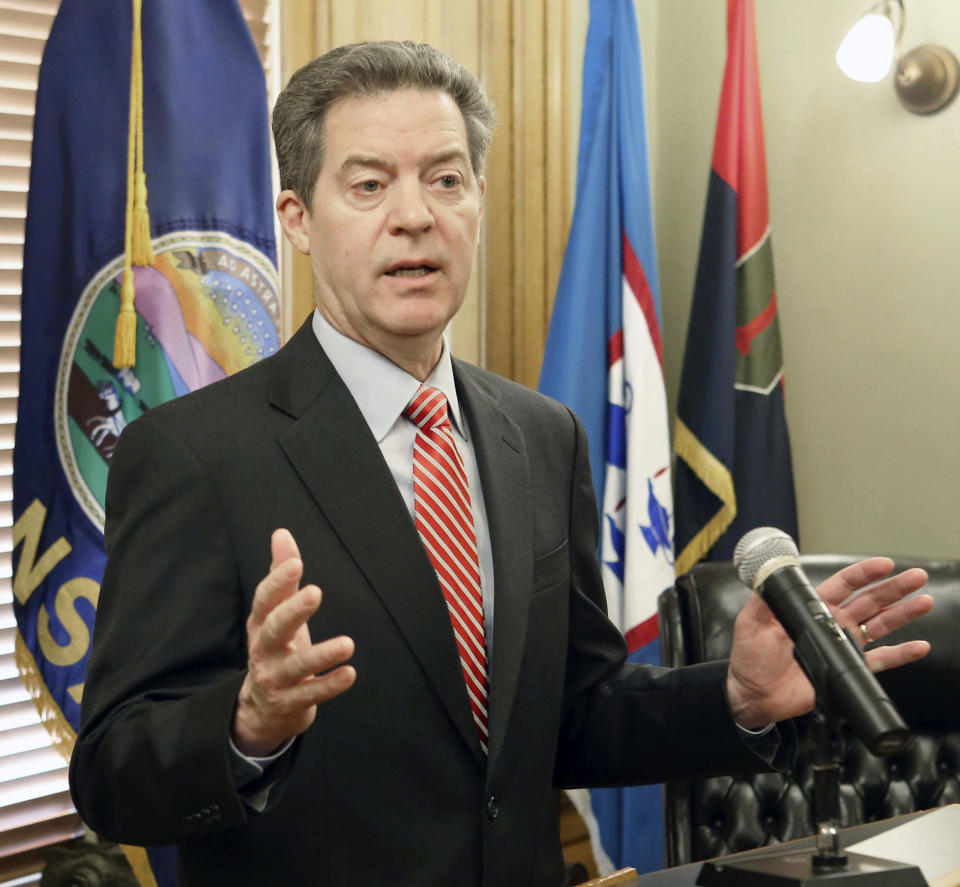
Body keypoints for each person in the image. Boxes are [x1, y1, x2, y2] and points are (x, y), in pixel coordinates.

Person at [69, 41, 933, 887]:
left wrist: (734, 696)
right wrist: (248, 722)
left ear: (478, 200)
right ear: (297, 217)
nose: (415, 215)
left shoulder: (541, 433)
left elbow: (574, 714)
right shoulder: (193, 451)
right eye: (369, 184)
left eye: (446, 179)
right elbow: (112, 773)